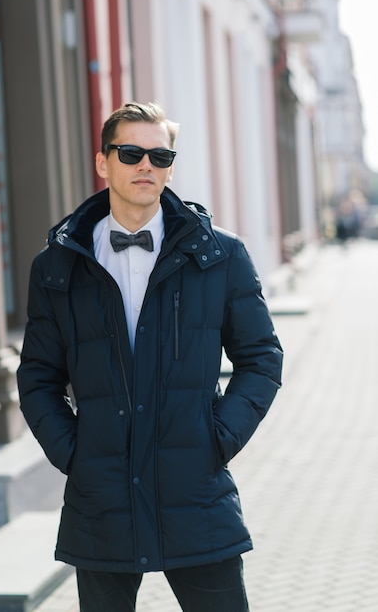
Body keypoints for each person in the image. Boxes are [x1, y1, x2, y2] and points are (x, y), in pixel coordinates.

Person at [17, 101, 283, 612]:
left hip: (196, 491)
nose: (146, 166)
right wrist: (74, 452)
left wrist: (218, 437)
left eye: (159, 156)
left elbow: (261, 358)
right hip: (102, 499)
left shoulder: (220, 255)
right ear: (103, 162)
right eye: (132, 152)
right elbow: (37, 377)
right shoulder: (57, 264)